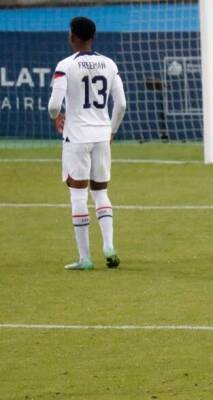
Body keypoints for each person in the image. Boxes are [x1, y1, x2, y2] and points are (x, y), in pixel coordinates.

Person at [48, 16, 126, 270]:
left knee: (78, 194)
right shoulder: (109, 64)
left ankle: (85, 258)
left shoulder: (65, 65)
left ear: (72, 37)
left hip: (77, 136)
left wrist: (56, 117)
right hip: (102, 135)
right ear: (93, 37)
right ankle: (109, 245)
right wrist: (111, 130)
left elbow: (53, 105)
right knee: (101, 191)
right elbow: (122, 104)